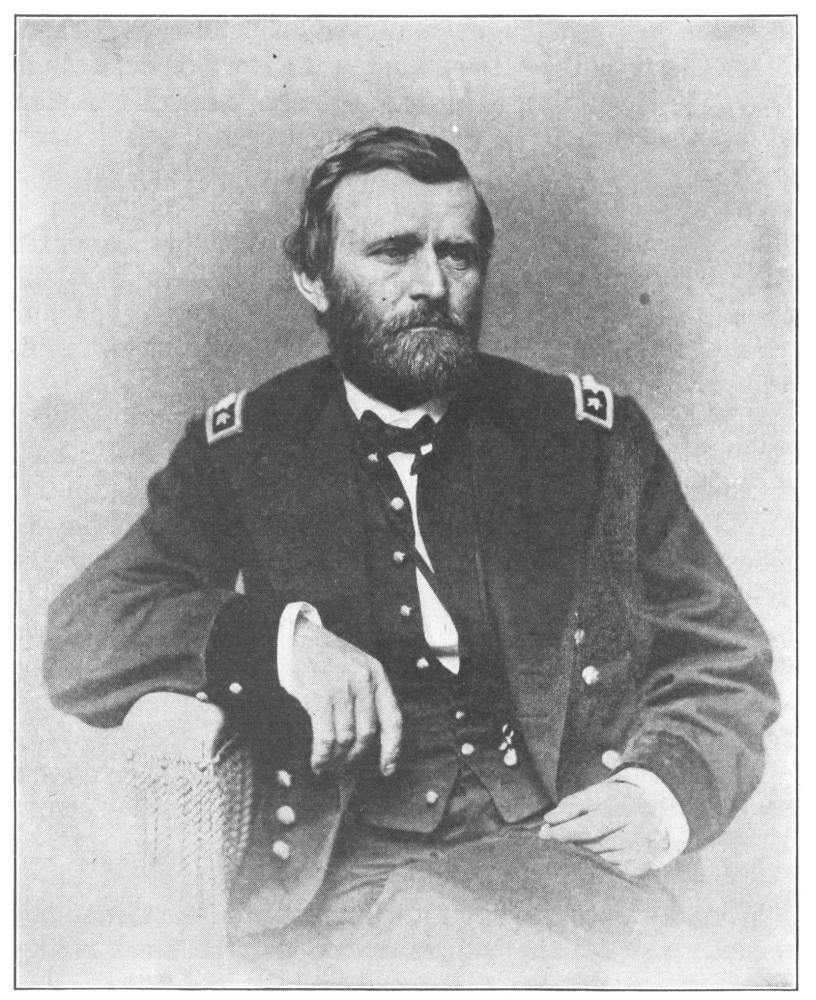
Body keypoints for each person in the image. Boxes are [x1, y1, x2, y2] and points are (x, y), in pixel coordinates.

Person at [43, 125, 779, 985]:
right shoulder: (245, 449)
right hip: (350, 878)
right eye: (394, 252)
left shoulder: (586, 437)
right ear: (313, 278)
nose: (433, 284)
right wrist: (281, 642)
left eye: (457, 255)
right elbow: (83, 634)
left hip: (566, 848)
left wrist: (657, 795)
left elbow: (724, 657)